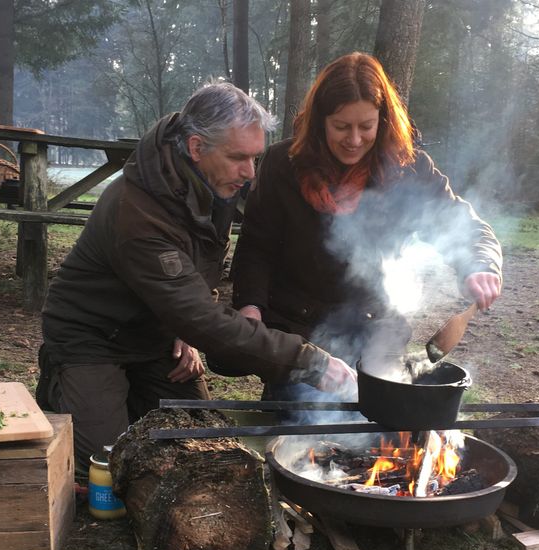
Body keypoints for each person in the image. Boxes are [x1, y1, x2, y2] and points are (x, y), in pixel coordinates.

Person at [36, 82, 358, 472]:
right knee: (108, 464)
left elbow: (197, 276)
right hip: (92, 338)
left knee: (203, 441)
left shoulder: (212, 183)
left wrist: (183, 330)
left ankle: (133, 392)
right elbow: (201, 315)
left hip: (156, 335)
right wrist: (311, 362)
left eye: (255, 157)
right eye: (239, 157)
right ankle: (62, 381)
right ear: (195, 147)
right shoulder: (136, 210)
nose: (250, 173)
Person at [230, 52, 503, 405]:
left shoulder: (409, 167)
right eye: (341, 126)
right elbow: (256, 245)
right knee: (299, 430)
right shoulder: (283, 165)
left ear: (384, 120)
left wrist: (481, 264)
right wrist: (250, 305)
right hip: (298, 335)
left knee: (379, 439)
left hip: (376, 334)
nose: (354, 139)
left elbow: (463, 225)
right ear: (319, 121)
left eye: (366, 126)